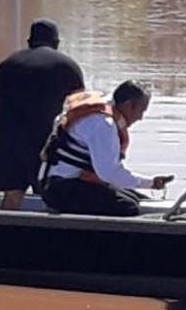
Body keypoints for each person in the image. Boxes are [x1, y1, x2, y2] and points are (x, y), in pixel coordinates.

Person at [0, 19, 84, 210]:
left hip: (8, 138)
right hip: (46, 141)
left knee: (12, 195)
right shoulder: (68, 67)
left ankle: (2, 236)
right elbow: (79, 110)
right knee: (50, 195)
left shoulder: (8, 64)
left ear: (29, 41)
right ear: (56, 43)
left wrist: (9, 122)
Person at [40, 80, 174, 217]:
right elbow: (109, 173)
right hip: (61, 189)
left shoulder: (104, 109)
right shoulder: (103, 125)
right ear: (128, 105)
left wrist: (149, 183)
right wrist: (149, 183)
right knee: (128, 207)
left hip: (66, 183)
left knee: (137, 198)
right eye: (141, 111)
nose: (140, 118)